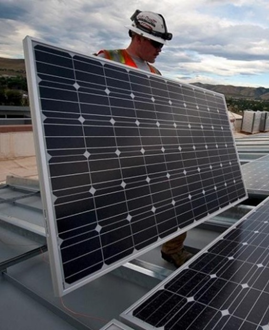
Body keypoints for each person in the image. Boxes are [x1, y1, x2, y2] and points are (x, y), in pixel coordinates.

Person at [96, 10, 193, 268]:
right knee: (118, 209)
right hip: (115, 154)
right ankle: (103, 253)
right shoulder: (108, 59)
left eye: (162, 44)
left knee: (179, 192)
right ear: (138, 36)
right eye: (156, 43)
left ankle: (173, 249)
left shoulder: (155, 72)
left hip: (147, 150)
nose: (160, 49)